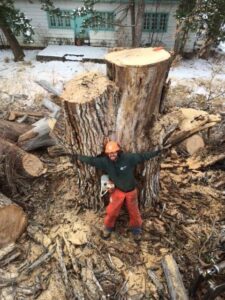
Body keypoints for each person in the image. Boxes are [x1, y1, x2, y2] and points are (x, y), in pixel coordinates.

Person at [74, 141, 162, 241]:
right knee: (111, 211)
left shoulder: (128, 158)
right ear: (107, 153)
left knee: (134, 212)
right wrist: (77, 156)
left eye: (114, 152)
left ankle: (136, 230)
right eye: (109, 153)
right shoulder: (104, 162)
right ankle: (108, 228)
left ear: (118, 151)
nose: (112, 154)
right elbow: (91, 161)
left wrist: (157, 152)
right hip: (117, 190)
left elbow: (142, 156)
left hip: (131, 191)